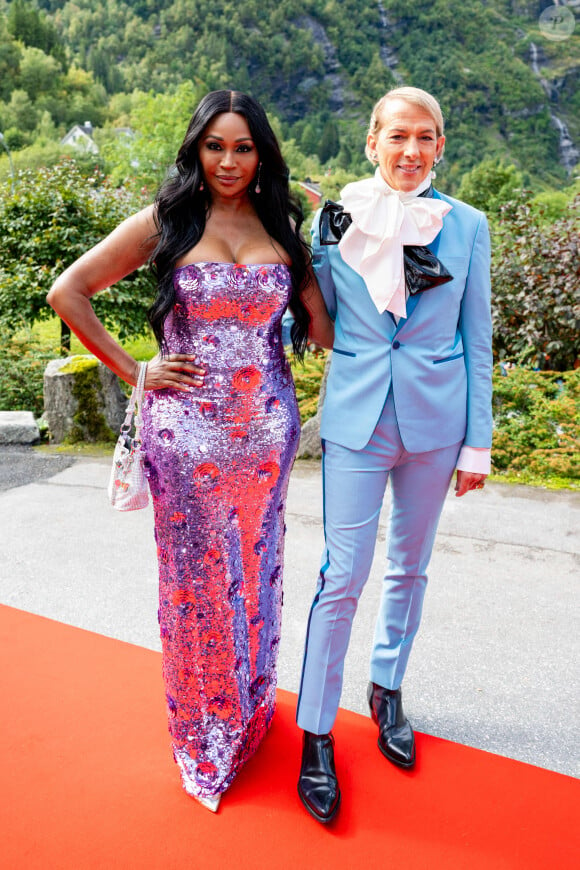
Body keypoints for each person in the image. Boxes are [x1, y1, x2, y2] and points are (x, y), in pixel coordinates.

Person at [47, 89, 333, 813]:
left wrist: (345, 245)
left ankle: (250, 710)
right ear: (196, 149)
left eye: (243, 147)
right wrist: (135, 369)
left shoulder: (283, 227)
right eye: (215, 146)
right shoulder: (165, 221)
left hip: (267, 437)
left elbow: (324, 331)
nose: (229, 161)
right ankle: (207, 732)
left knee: (257, 574)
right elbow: (68, 291)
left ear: (262, 153)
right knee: (199, 590)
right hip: (187, 437)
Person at [296, 86, 493, 824]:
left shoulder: (469, 226)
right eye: (398, 136)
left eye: (427, 137)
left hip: (437, 428)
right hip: (355, 418)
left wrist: (479, 443)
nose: (411, 150)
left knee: (411, 566)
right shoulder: (333, 218)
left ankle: (387, 689)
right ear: (372, 141)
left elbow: (479, 338)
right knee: (341, 574)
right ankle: (316, 730)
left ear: (441, 146)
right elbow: (312, 314)